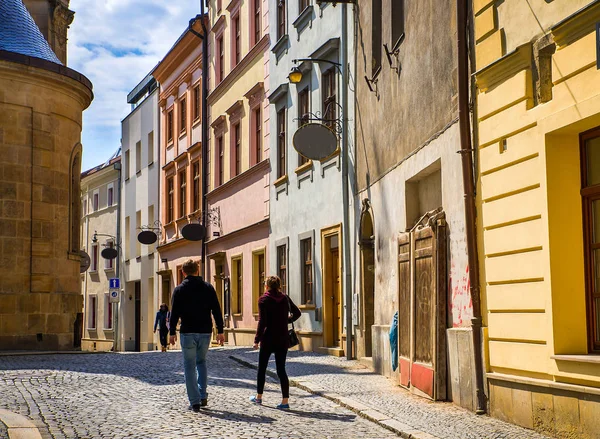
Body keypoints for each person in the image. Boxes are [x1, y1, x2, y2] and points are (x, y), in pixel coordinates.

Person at [169, 259, 225, 412]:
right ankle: (202, 395)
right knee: (201, 362)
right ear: (198, 270)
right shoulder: (208, 288)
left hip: (187, 332)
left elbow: (174, 313)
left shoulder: (179, 290)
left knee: (189, 366)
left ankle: (195, 402)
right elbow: (216, 310)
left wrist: (172, 332)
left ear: (183, 272)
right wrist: (220, 330)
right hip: (205, 331)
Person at [250, 275, 301, 409]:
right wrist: (286, 320)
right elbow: (297, 313)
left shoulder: (263, 300)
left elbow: (262, 322)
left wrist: (256, 340)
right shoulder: (285, 298)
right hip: (282, 338)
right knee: (281, 370)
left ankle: (259, 397)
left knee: (262, 368)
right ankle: (285, 401)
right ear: (279, 285)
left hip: (268, 339)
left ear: (266, 286)